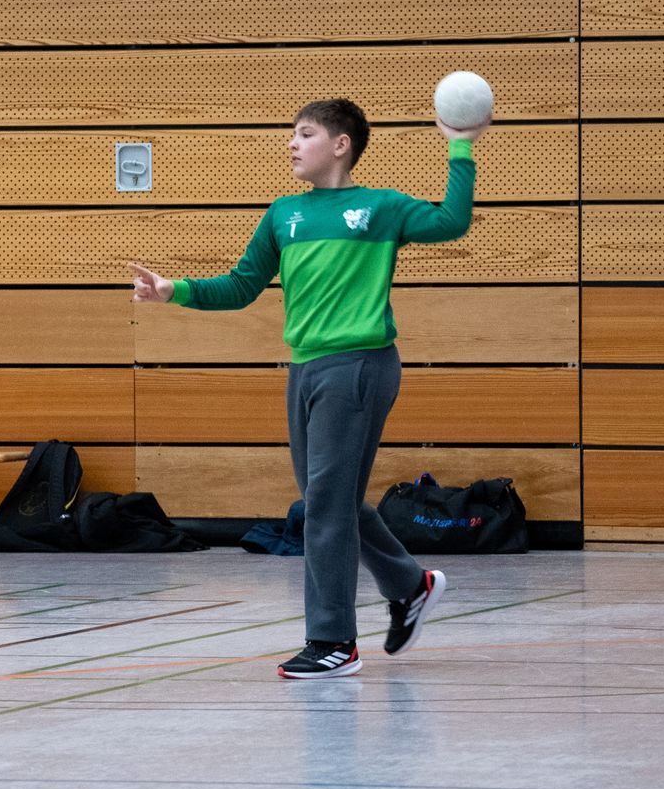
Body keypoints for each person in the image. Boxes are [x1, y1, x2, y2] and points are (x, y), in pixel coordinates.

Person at [130, 97, 486, 679]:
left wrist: (461, 143)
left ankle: (333, 641)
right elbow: (243, 285)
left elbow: (452, 221)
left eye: (305, 134)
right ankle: (409, 584)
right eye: (292, 135)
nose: (292, 143)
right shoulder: (283, 214)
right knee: (331, 500)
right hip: (305, 369)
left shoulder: (380, 208)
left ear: (340, 145)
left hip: (359, 365)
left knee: (324, 504)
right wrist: (175, 290)